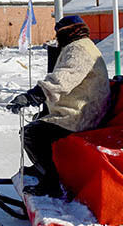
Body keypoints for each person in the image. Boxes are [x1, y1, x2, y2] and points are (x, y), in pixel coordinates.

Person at [8, 15, 111, 197]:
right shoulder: (81, 45)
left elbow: (64, 78)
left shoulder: (79, 49)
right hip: (81, 107)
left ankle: (51, 181)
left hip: (82, 114)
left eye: (59, 34)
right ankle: (42, 168)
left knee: (32, 133)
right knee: (40, 122)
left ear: (67, 33)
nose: (57, 39)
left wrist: (34, 95)